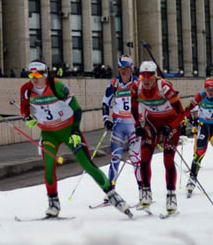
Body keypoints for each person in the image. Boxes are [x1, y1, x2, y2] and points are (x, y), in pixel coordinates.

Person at [20, 60, 132, 218]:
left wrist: (74, 131)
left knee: (87, 164)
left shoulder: (56, 87)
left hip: (68, 129)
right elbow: (24, 108)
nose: (34, 78)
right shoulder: (26, 89)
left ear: (45, 74)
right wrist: (27, 118)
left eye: (38, 74)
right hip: (48, 133)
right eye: (31, 74)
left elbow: (77, 109)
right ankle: (53, 203)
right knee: (49, 166)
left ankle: (113, 195)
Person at [131, 60, 184, 214]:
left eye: (150, 75)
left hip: (170, 122)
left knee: (168, 159)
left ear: (155, 76)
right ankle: (146, 192)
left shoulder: (164, 88)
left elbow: (181, 113)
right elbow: (134, 108)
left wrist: (172, 126)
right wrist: (138, 125)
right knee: (145, 157)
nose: (146, 79)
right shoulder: (136, 87)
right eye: (143, 75)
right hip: (152, 122)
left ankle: (171, 195)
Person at [101, 55, 141, 193]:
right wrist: (106, 119)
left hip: (133, 125)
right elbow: (105, 102)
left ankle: (143, 190)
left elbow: (146, 100)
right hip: (118, 125)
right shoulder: (113, 84)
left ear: (131, 69)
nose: (123, 71)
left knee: (136, 159)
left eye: (126, 68)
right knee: (115, 158)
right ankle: (111, 190)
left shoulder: (138, 83)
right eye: (120, 68)